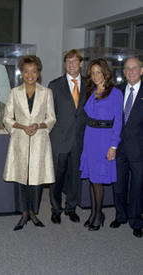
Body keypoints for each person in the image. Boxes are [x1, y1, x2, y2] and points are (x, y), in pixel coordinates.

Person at [3, 55, 56, 230]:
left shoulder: (46, 92)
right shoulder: (14, 93)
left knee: (37, 179)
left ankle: (34, 212)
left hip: (40, 139)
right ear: (21, 73)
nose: (30, 75)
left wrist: (39, 125)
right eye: (26, 71)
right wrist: (22, 126)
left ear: (39, 72)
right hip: (20, 140)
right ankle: (24, 213)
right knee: (21, 178)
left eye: (33, 71)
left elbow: (51, 118)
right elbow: (7, 118)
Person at [80, 58, 123, 231]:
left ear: (106, 72)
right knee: (92, 179)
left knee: (98, 179)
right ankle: (93, 213)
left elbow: (118, 121)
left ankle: (98, 215)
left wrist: (113, 146)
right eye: (93, 72)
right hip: (90, 137)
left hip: (104, 139)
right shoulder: (91, 90)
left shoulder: (115, 93)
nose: (96, 75)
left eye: (99, 72)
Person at [48, 49, 87, 224]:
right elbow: (48, 114)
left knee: (75, 177)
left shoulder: (90, 85)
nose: (71, 64)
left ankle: (71, 208)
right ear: (65, 64)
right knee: (56, 176)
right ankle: (56, 209)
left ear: (81, 63)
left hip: (80, 140)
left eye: (74, 61)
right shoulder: (54, 85)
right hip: (59, 140)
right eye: (68, 61)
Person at [110, 57, 143, 238]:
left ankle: (136, 221)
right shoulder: (118, 92)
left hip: (139, 150)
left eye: (134, 68)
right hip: (119, 148)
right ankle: (120, 216)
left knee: (137, 187)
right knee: (119, 185)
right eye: (127, 69)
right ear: (124, 72)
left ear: (141, 70)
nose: (131, 72)